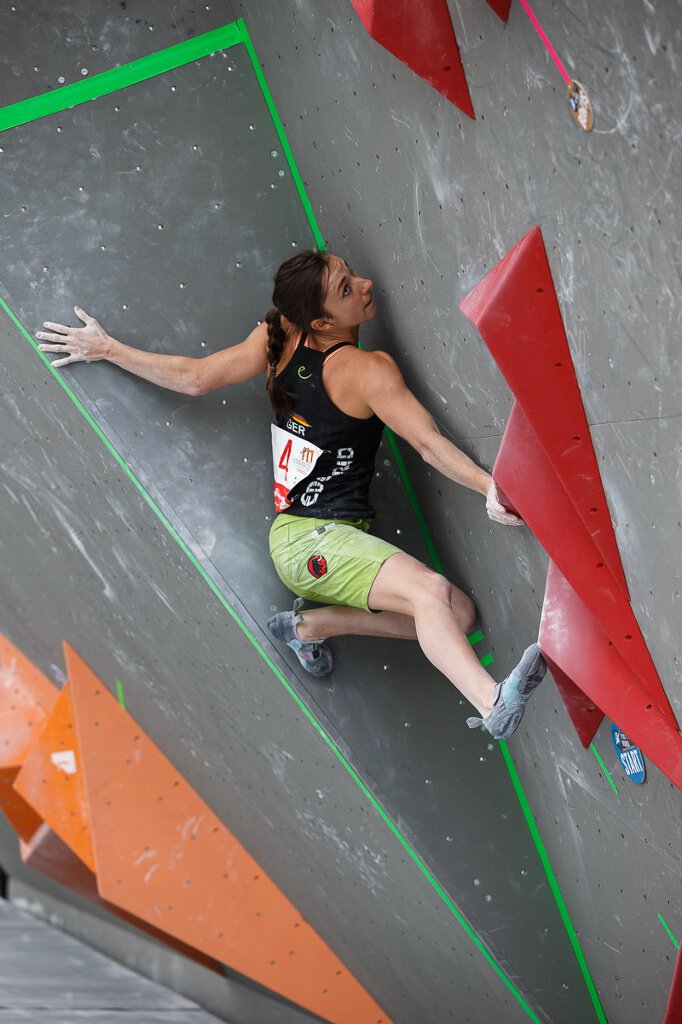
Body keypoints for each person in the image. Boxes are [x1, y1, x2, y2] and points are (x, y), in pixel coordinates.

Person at [37, 249, 546, 739]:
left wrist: (487, 485)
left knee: (457, 615)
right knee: (428, 591)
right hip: (306, 542)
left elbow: (198, 379)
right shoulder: (364, 370)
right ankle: (491, 703)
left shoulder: (285, 332)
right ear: (320, 322)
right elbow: (198, 378)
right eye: (346, 289)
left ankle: (309, 627)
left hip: (329, 542)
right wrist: (488, 487)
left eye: (351, 274)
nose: (365, 285)